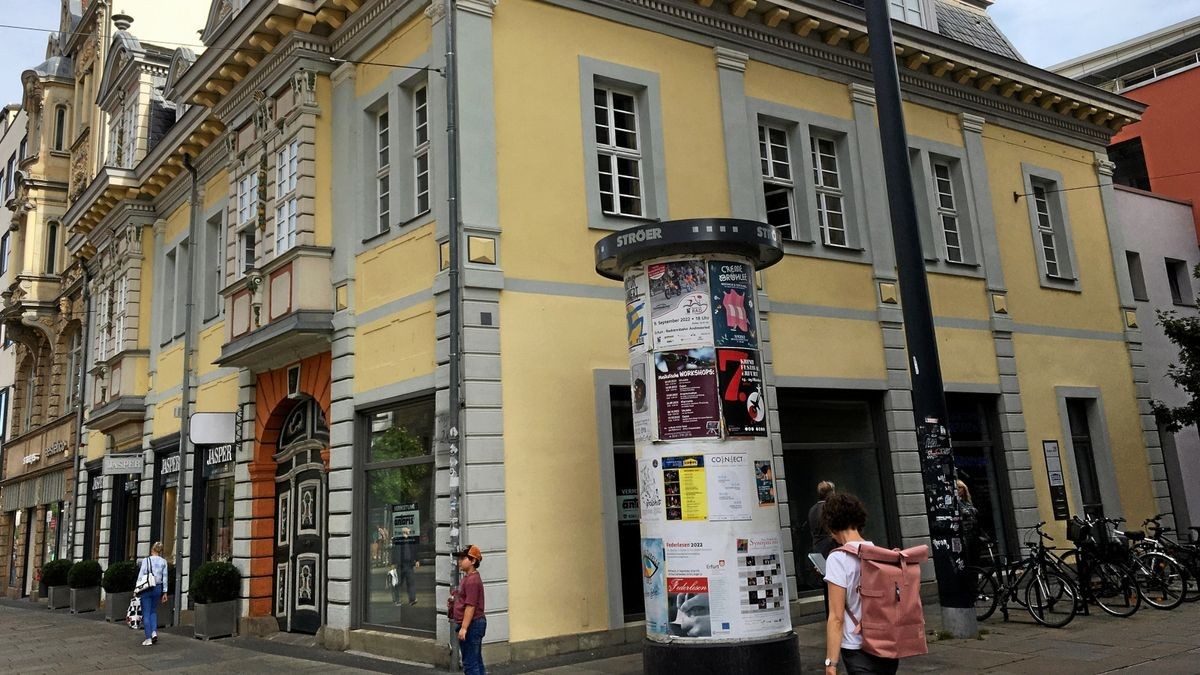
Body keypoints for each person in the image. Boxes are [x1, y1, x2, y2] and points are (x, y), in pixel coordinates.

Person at [823, 493, 898, 675]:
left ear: (833, 526)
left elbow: (836, 618)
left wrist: (831, 663)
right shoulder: (879, 553)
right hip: (887, 645)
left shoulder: (837, 559)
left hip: (857, 648)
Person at [449, 544, 487, 675]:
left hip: (472, 625)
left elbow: (470, 606)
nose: (459, 561)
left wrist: (464, 628)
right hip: (473, 624)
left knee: (470, 664)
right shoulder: (468, 578)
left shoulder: (472, 581)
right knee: (476, 660)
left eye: (463, 558)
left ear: (473, 561)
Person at [137, 542, 170, 647]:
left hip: (147, 587)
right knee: (153, 611)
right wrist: (165, 592)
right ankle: (154, 631)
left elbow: (141, 575)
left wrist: (137, 588)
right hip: (158, 587)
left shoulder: (146, 560)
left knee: (146, 612)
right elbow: (165, 578)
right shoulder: (163, 562)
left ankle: (148, 638)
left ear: (152, 549)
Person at [390, 526, 420, 606]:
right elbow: (394, 551)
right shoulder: (398, 539)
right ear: (404, 531)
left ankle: (412, 599)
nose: (410, 530)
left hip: (409, 564)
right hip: (400, 565)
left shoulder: (411, 539)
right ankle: (397, 600)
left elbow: (414, 550)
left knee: (411, 582)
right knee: (398, 583)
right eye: (408, 529)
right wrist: (393, 563)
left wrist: (416, 560)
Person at [808, 481, 837, 557]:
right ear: (831, 493)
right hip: (830, 549)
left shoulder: (812, 509)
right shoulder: (830, 508)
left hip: (816, 548)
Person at [957, 479, 980, 566]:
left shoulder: (967, 502)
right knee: (968, 558)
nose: (958, 490)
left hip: (974, 533)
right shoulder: (957, 503)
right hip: (965, 534)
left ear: (964, 489)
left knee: (975, 558)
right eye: (956, 488)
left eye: (960, 488)